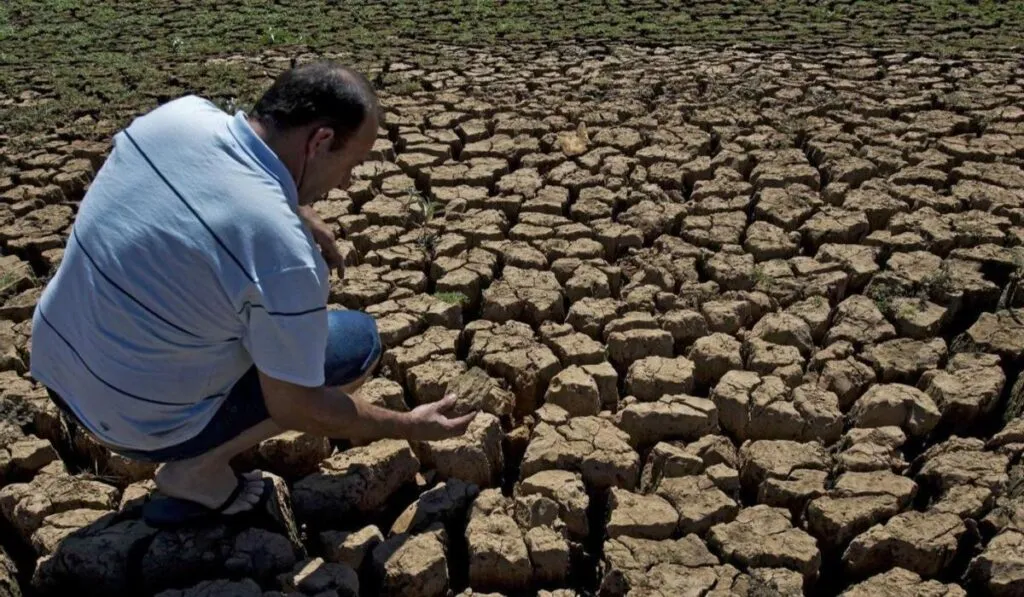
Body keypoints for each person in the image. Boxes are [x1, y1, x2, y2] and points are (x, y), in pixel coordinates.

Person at [29, 61, 477, 527]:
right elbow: (297, 405)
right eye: (351, 163)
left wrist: (293, 206)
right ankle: (196, 471)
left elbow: (217, 184)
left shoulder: (176, 117)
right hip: (135, 425)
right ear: (320, 141)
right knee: (354, 343)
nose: (346, 182)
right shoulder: (282, 250)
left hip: (56, 367)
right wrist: (407, 425)